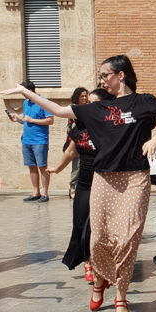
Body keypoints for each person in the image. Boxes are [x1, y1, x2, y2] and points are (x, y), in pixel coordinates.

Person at [2, 55, 156, 312]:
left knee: (127, 239)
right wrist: (26, 92)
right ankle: (100, 280)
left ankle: (121, 295)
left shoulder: (145, 102)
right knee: (99, 238)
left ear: (120, 75)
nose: (101, 81)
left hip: (135, 179)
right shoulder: (96, 108)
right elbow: (57, 111)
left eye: (104, 75)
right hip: (103, 179)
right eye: (100, 77)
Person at [48, 88, 114, 283]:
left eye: (94, 103)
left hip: (106, 182)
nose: (88, 106)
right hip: (85, 183)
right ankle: (88, 261)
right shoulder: (78, 128)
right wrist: (57, 169)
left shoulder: (111, 126)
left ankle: (105, 261)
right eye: (88, 102)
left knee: (103, 226)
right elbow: (70, 152)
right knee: (83, 223)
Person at [9, 80, 53, 202]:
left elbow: (50, 120)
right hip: (26, 140)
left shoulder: (43, 102)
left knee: (42, 167)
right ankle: (36, 192)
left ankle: (45, 193)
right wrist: (18, 120)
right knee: (31, 167)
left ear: (30, 91)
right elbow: (26, 120)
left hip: (39, 141)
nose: (23, 95)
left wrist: (32, 120)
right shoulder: (26, 102)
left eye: (23, 92)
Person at [64, 87, 89, 199]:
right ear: (77, 97)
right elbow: (69, 127)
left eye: (85, 96)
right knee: (77, 166)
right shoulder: (72, 108)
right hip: (76, 141)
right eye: (82, 96)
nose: (84, 98)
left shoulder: (89, 107)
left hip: (88, 141)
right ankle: (72, 187)